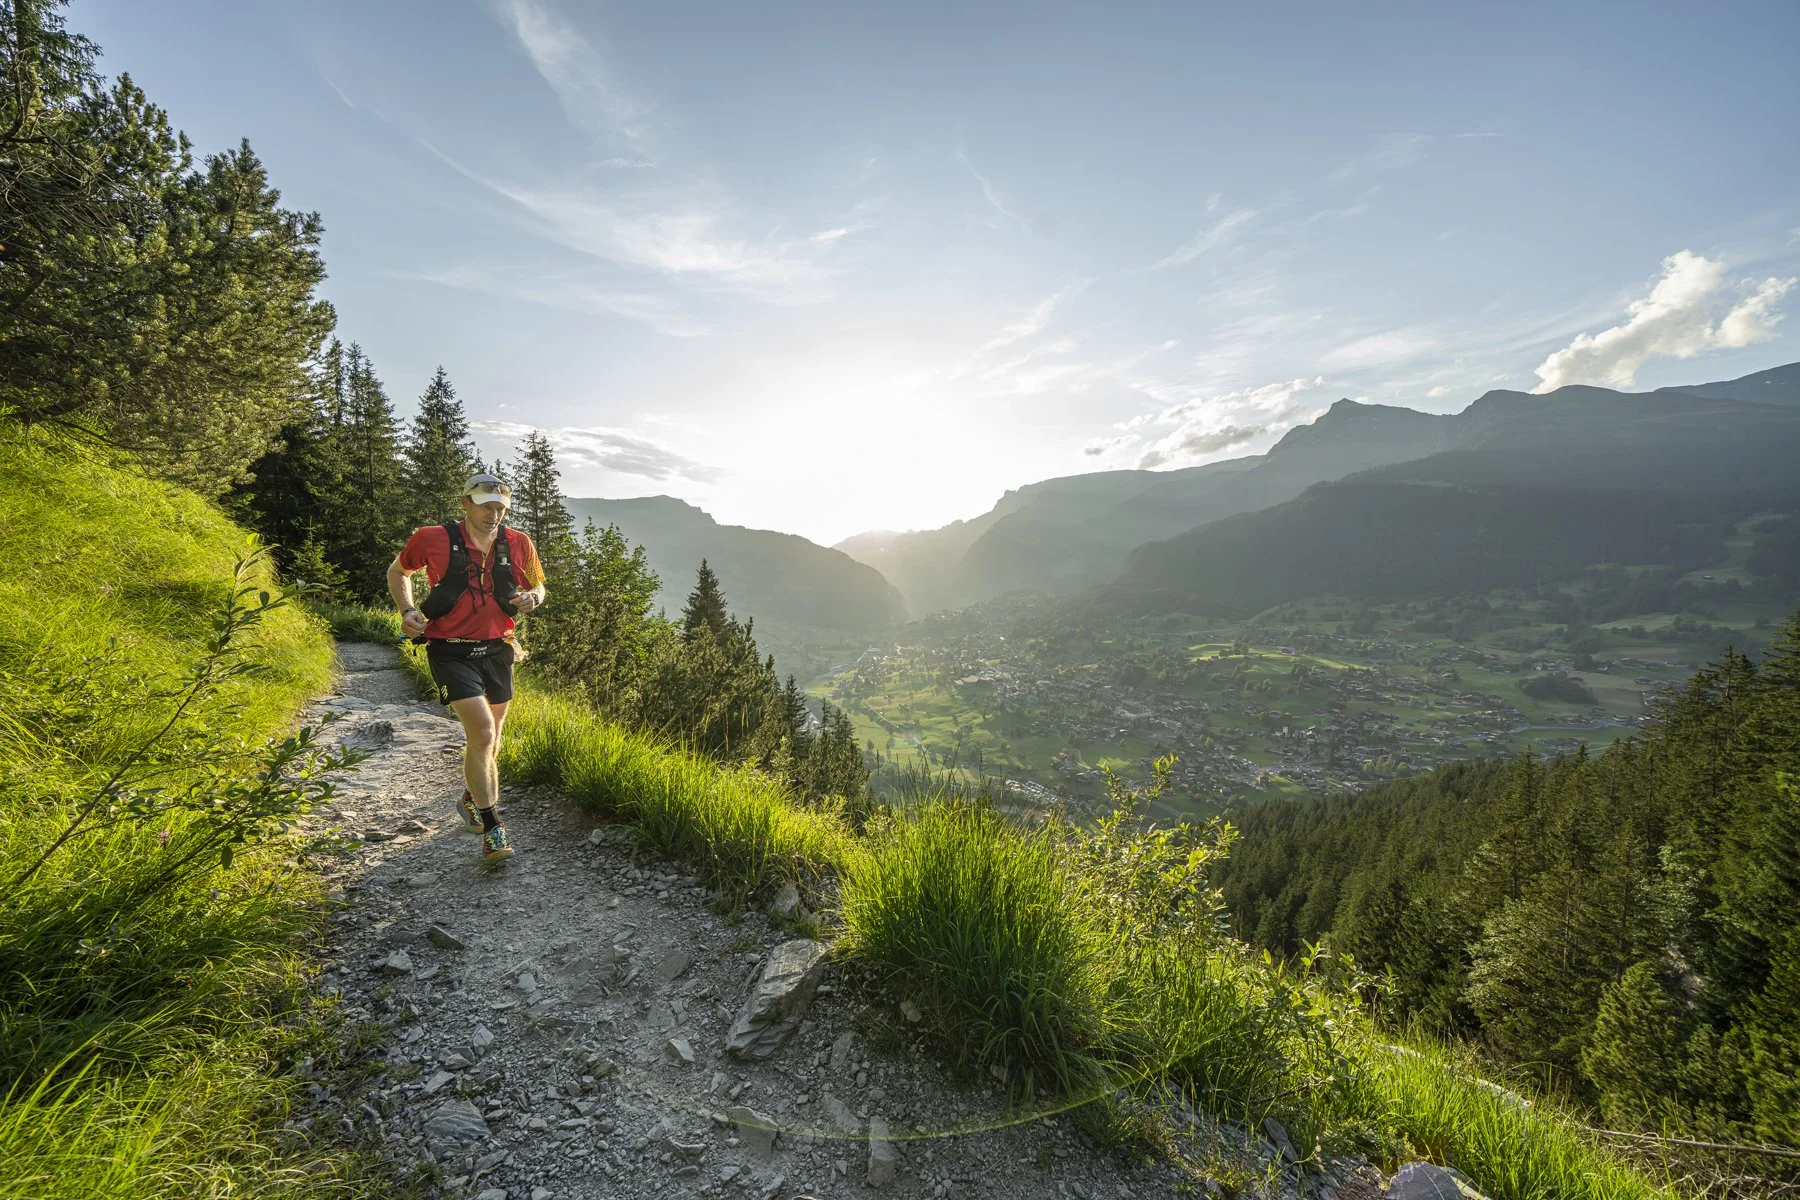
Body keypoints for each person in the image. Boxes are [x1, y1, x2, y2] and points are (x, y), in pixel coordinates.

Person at [386, 473, 547, 862]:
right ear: (466, 504)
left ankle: (472, 797)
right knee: (483, 731)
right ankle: (494, 827)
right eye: (486, 506)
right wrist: (407, 610)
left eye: (500, 508)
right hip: (450, 649)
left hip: (499, 649)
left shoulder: (519, 542)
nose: (494, 514)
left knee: (491, 738)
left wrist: (532, 599)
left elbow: (539, 585)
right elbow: (399, 572)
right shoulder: (431, 537)